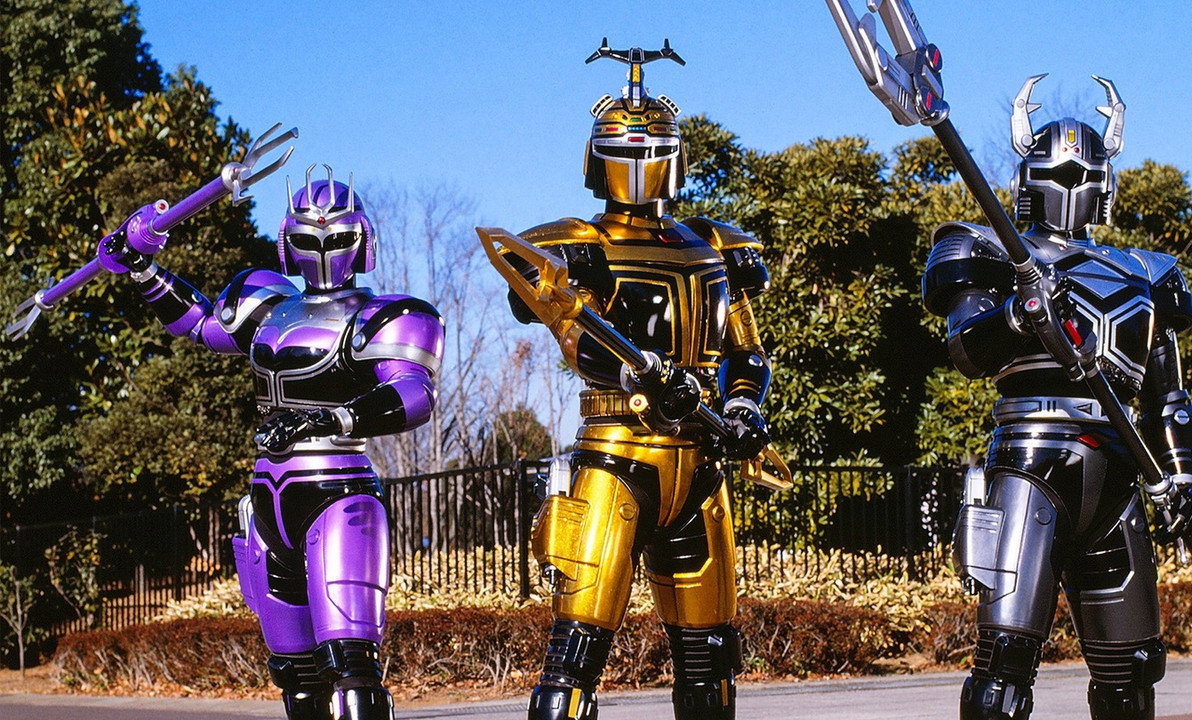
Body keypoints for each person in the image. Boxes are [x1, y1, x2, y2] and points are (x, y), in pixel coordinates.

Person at [102, 167, 443, 720]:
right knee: (296, 673)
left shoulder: (386, 316)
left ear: (361, 240)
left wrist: (330, 418)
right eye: (310, 238)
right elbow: (202, 326)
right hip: (269, 497)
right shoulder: (266, 304)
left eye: (336, 238)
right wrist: (144, 269)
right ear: (288, 241)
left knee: (351, 664)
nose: (323, 250)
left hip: (338, 493)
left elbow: (413, 394)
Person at [924, 76, 1192, 720]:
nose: (1073, 185)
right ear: (1030, 178)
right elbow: (968, 349)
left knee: (1132, 671)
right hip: (1032, 459)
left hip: (1119, 470)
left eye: (1086, 174)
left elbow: (1167, 394)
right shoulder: (987, 249)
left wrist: (1184, 476)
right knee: (1003, 667)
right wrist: (1018, 315)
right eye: (1060, 174)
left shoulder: (1147, 272)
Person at [503, 40, 773, 720]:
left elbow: (747, 351)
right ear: (597, 158)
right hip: (617, 456)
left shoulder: (715, 246)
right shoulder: (581, 246)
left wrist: (744, 407)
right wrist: (637, 372)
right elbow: (575, 337)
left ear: (675, 157)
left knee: (710, 663)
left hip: (701, 462)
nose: (639, 164)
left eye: (652, 151)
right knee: (573, 659)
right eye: (624, 151)